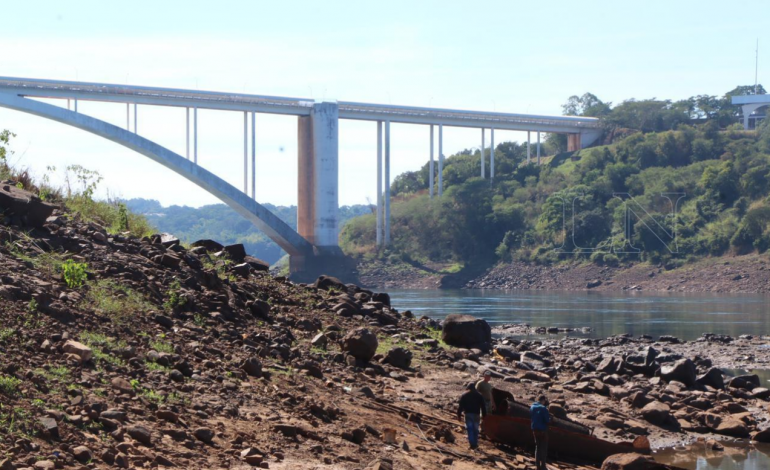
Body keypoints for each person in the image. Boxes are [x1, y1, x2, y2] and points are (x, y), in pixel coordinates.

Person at [457, 382, 486, 450]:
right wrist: (484, 415)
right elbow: (483, 406)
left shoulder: (464, 395)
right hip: (476, 414)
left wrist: (459, 415)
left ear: (468, 388)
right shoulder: (479, 395)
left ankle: (472, 444)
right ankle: (475, 443)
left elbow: (460, 406)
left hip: (468, 414)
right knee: (475, 429)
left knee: (469, 429)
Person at [530, 395, 551, 470]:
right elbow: (547, 420)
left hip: (534, 429)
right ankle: (543, 466)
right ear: (543, 400)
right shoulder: (543, 408)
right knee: (543, 448)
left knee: (537, 447)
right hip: (542, 430)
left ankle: (537, 465)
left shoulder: (532, 406)